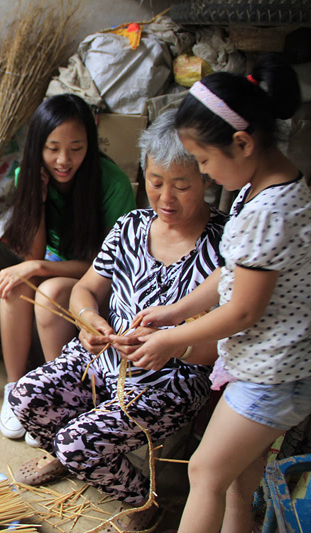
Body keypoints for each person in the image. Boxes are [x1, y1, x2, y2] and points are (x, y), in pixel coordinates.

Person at [7, 110, 226, 531]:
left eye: (181, 186)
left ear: (207, 179)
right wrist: (90, 323)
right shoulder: (132, 226)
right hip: (103, 359)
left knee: (77, 443)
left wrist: (170, 345)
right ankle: (69, 453)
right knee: (24, 399)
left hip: (172, 378)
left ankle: (144, 501)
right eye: (155, 183)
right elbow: (84, 290)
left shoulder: (225, 246)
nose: (165, 198)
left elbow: (219, 347)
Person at [128, 57, 310, 533]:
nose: (205, 174)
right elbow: (233, 274)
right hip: (270, 364)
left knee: (204, 473)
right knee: (235, 482)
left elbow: (244, 309)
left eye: (204, 162)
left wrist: (173, 340)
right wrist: (175, 312)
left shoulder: (267, 211)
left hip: (273, 373)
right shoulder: (266, 186)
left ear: (243, 143)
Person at [0, 95, 136, 440]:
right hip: (59, 265)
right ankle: (16, 389)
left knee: (50, 290)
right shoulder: (29, 173)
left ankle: (58, 393)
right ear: (38, 145)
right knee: (17, 285)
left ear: (90, 143)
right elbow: (35, 251)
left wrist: (37, 266)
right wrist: (38, 200)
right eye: (52, 147)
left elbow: (108, 265)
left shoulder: (111, 182)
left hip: (103, 280)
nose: (63, 160)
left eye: (76, 147)